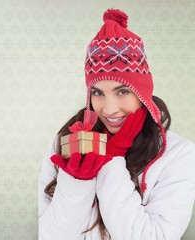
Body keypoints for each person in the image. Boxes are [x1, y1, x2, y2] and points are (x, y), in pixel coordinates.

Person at [38, 8, 195, 240]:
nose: (109, 109)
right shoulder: (64, 142)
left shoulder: (179, 154)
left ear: (142, 92)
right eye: (98, 93)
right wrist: (76, 182)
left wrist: (112, 160)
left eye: (122, 91)